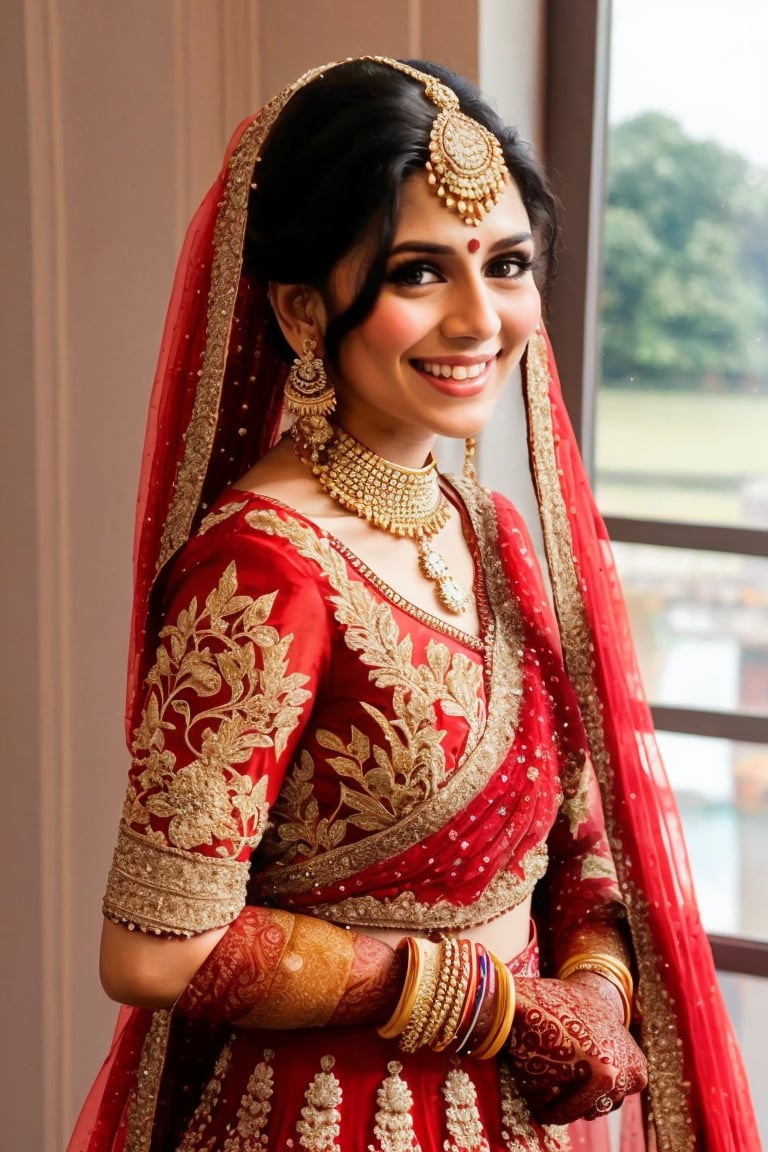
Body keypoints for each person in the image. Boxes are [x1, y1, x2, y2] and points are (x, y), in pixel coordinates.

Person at [68, 57, 759, 1152]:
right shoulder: (264, 569)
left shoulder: (494, 531)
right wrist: (487, 1005)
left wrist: (593, 991)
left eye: (509, 264)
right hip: (334, 1116)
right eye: (421, 272)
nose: (481, 318)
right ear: (303, 309)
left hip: (534, 1106)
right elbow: (155, 950)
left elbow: (582, 829)